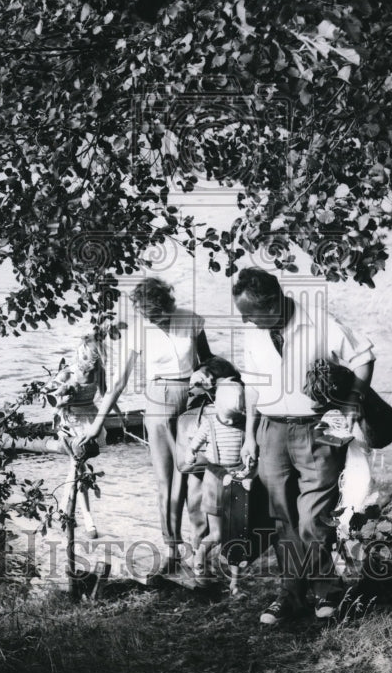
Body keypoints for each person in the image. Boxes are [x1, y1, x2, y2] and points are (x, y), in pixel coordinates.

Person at [233, 267, 375, 625]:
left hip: (317, 430)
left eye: (250, 313)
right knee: (284, 518)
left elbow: (363, 357)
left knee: (313, 517)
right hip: (270, 431)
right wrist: (250, 436)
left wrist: (353, 400)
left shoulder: (320, 322)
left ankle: (326, 591)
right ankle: (291, 595)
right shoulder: (254, 335)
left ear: (273, 303)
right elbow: (252, 387)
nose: (246, 321)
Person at [84, 277, 212, 572]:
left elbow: (207, 360)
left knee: (196, 476)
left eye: (155, 313)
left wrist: (215, 379)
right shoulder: (138, 330)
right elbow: (119, 380)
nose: (150, 319)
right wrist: (97, 424)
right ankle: (172, 547)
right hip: (159, 400)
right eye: (145, 314)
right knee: (167, 479)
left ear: (168, 304)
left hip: (194, 400)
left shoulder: (191, 320)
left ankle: (200, 549)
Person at [4, 334, 112, 539]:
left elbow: (107, 394)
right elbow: (47, 392)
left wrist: (118, 417)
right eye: (82, 356)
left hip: (89, 422)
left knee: (76, 466)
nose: (83, 361)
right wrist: (63, 392)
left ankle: (65, 506)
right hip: (68, 423)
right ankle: (86, 518)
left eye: (88, 358)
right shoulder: (68, 372)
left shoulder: (99, 372)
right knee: (77, 465)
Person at [183, 379, 246, 595]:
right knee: (218, 533)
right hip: (215, 478)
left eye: (235, 417)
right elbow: (193, 445)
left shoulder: (244, 424)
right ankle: (199, 555)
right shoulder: (209, 423)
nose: (230, 422)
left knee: (237, 534)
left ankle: (235, 582)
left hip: (239, 480)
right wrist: (189, 454)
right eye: (227, 416)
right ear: (216, 405)